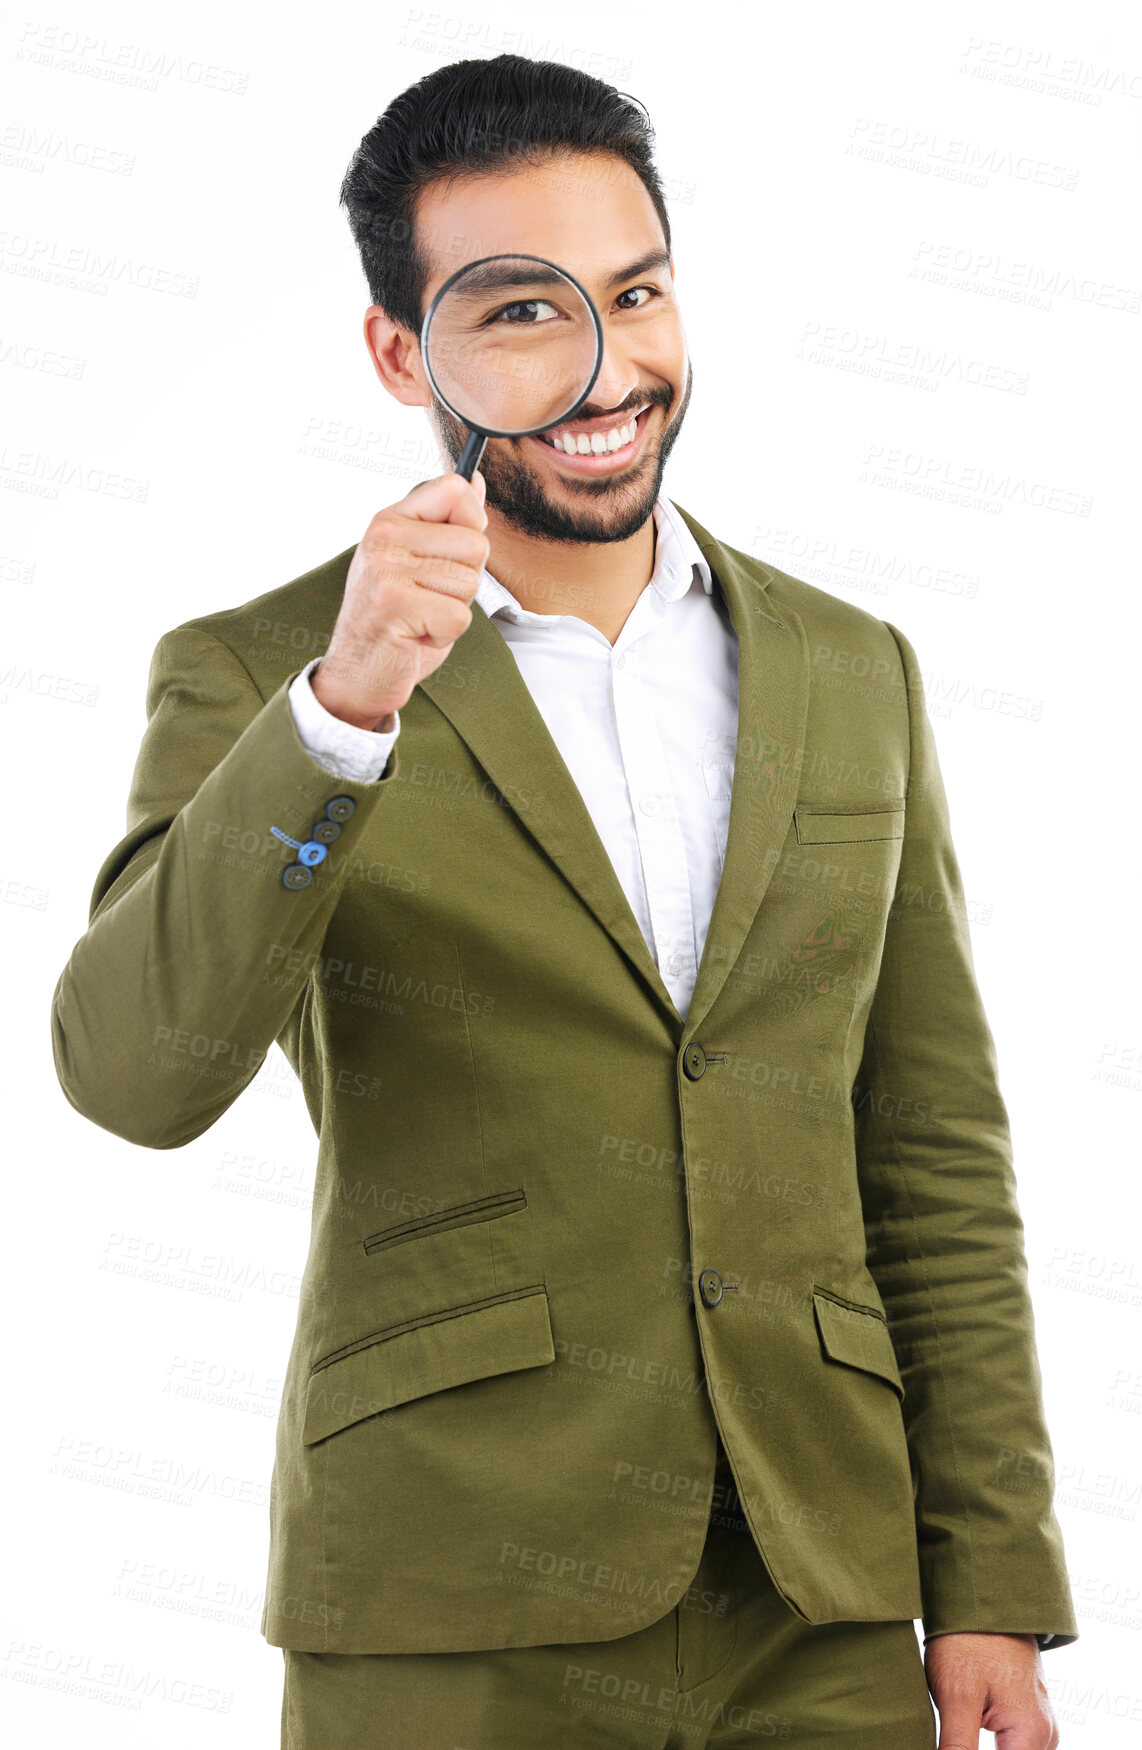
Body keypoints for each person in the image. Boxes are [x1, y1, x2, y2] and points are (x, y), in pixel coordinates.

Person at [50, 53, 1078, 1750]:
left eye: (637, 293)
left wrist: (987, 1573)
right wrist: (343, 710)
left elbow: (933, 1143)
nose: (606, 366)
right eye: (521, 311)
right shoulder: (262, 675)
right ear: (403, 351)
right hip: (449, 1590)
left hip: (819, 1596)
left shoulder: (849, 666)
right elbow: (132, 1076)